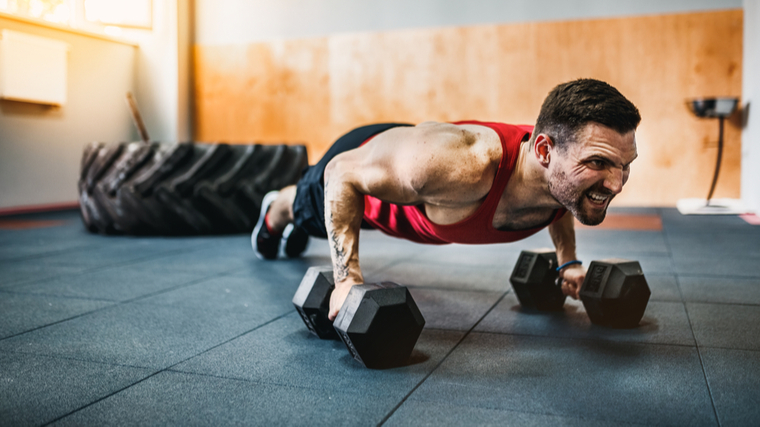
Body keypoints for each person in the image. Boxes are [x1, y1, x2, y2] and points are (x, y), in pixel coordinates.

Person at [252, 78, 641, 321]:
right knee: (304, 212)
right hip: (363, 167)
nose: (617, 184)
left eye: (625, 166)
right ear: (543, 151)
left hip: (413, 176)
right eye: (599, 164)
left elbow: (561, 203)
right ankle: (274, 212)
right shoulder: (464, 165)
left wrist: (567, 261)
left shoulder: (560, 176)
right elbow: (341, 173)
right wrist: (346, 280)